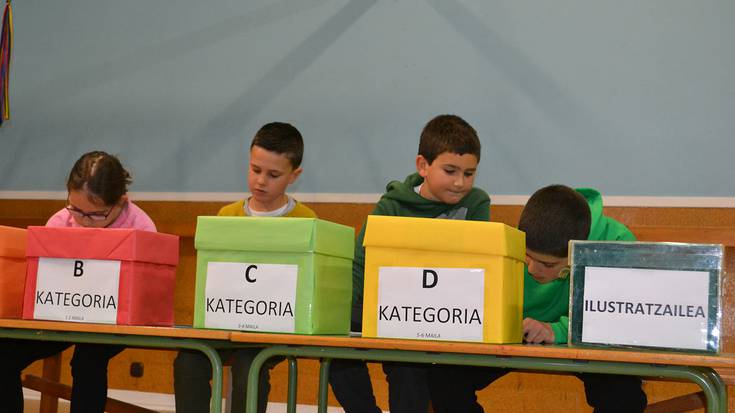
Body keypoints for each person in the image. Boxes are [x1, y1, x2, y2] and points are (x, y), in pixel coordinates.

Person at [428, 184, 648, 413]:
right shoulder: (512, 238)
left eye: (548, 264)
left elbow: (620, 320)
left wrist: (558, 331)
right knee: (444, 377)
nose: (532, 269)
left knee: (624, 396)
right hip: (517, 336)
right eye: (527, 256)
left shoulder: (617, 242)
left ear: (575, 254)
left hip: (584, 342)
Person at [329, 114, 491, 413]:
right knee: (336, 346)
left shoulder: (476, 204)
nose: (460, 182)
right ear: (423, 166)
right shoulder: (390, 206)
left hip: (444, 314)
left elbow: (480, 268)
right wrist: (341, 312)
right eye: (450, 171)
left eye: (469, 173)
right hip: (392, 310)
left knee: (408, 364)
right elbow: (361, 264)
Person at [174, 122, 316, 413]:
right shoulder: (226, 216)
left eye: (273, 175)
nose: (260, 181)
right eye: (255, 169)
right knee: (189, 358)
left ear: (294, 176)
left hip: (275, 330)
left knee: (249, 364)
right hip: (227, 323)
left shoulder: (306, 221)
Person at [0, 150, 156, 413]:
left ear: (121, 202)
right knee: (3, 354)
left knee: (88, 358)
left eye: (95, 215)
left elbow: (148, 293)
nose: (83, 221)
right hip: (63, 318)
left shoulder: (141, 228)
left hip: (116, 323)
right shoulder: (60, 222)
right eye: (76, 210)